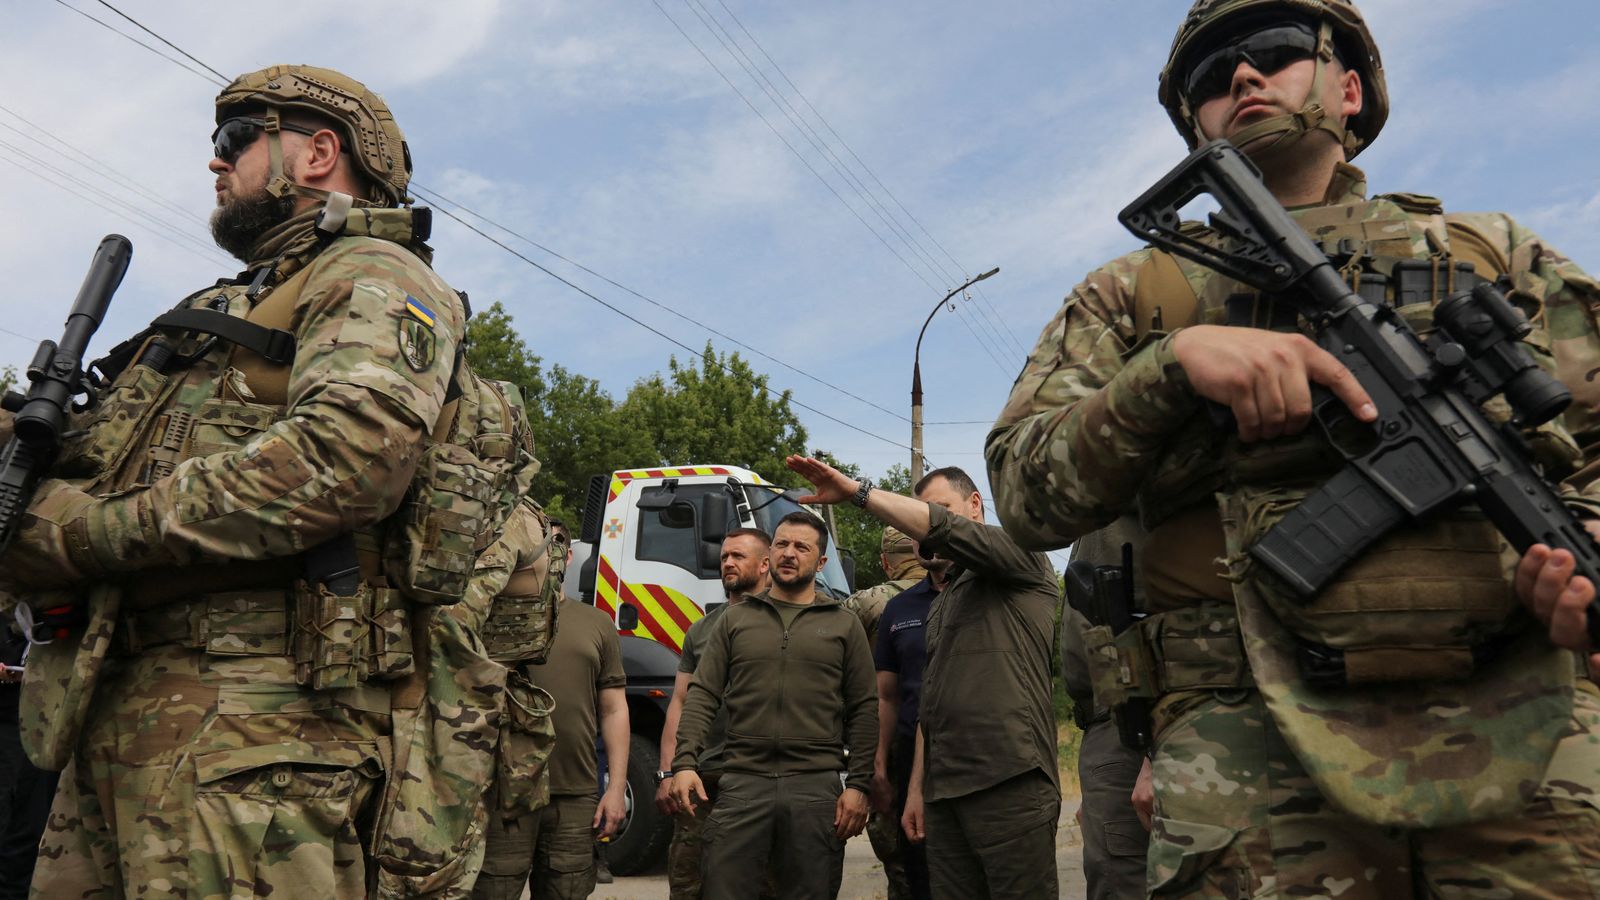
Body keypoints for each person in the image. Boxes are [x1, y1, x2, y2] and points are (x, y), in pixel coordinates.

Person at [985, 1, 1600, 895]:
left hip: (1530, 727)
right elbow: (1026, 493)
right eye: (1209, 75)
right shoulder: (1137, 294)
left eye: (1273, 51)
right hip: (1244, 752)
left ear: (1348, 90)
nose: (1241, 77)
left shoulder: (1493, 254)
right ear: (1194, 121)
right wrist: (1169, 369)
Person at [0, 65, 535, 897]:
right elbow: (96, 459)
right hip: (120, 711)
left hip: (251, 734)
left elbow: (346, 461)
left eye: (234, 139)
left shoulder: (372, 273)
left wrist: (83, 533)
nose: (216, 163)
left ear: (319, 153)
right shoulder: (232, 304)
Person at [786, 458, 1061, 900]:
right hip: (943, 793)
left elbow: (944, 530)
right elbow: (928, 708)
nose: (923, 530)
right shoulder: (942, 604)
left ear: (975, 505)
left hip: (1010, 782)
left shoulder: (1021, 557)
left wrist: (860, 493)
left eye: (939, 509)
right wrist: (916, 790)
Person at [669, 511, 876, 900]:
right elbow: (702, 695)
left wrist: (860, 785)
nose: (789, 553)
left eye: (802, 547)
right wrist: (683, 764)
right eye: (781, 544)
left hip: (815, 788)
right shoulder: (735, 621)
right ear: (770, 554)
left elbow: (865, 708)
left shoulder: (843, 625)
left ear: (822, 562)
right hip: (743, 783)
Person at [475, 579, 629, 899]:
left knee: (567, 890)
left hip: (574, 793)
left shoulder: (596, 622)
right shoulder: (486, 616)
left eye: (555, 542)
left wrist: (615, 789)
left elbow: (614, 709)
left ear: (567, 554)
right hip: (503, 793)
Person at [655, 527, 774, 900]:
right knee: (689, 882)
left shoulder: (784, 621)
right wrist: (667, 772)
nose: (727, 563)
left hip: (760, 778)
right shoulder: (702, 629)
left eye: (738, 556)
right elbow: (679, 701)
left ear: (765, 564)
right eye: (724, 556)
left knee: (764, 883)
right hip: (703, 779)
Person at [1060, 519, 1148, 900]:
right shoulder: (1095, 508)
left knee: (1122, 879)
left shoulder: (1125, 483)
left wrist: (1156, 752)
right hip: (1112, 726)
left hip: (1139, 718)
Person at [843, 526, 928, 900]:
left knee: (898, 849)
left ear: (885, 561)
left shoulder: (870, 602)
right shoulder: (957, 592)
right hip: (951, 740)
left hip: (887, 741)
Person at [871, 537, 948, 900]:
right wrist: (880, 765)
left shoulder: (983, 593)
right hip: (908, 754)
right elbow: (886, 695)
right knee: (917, 870)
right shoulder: (898, 608)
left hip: (969, 749)